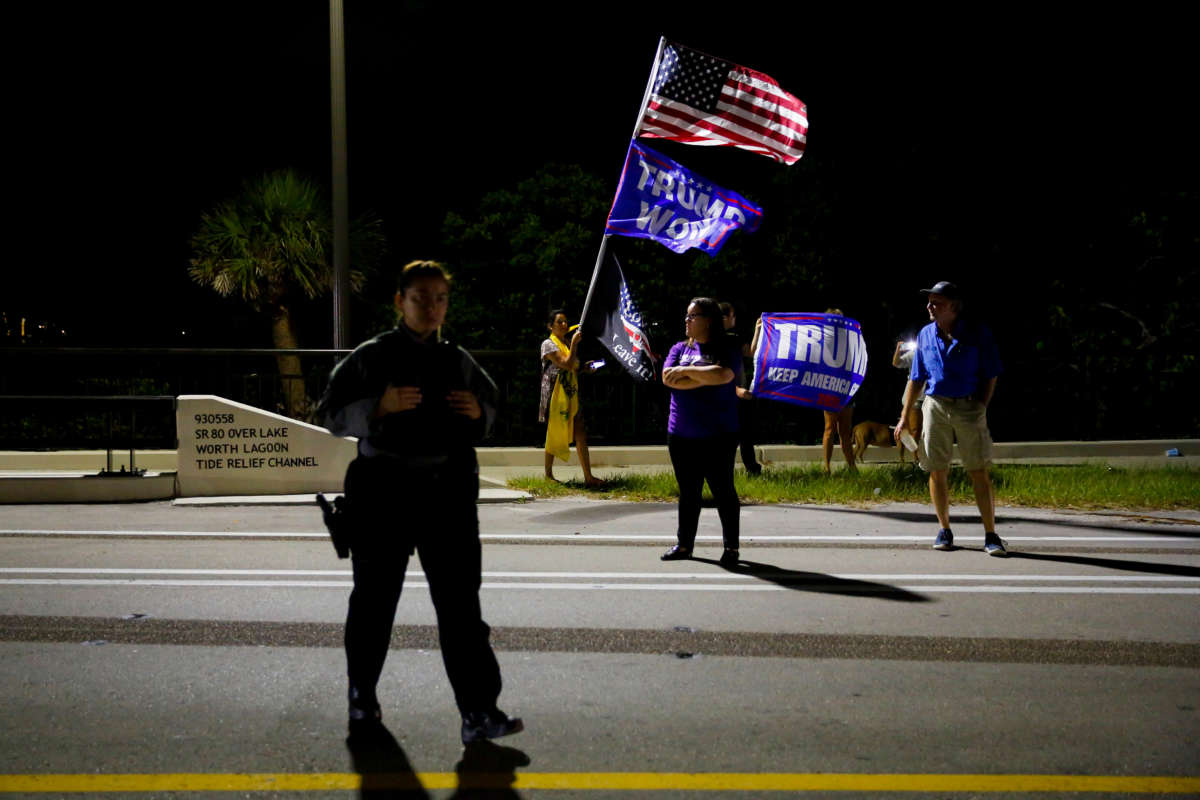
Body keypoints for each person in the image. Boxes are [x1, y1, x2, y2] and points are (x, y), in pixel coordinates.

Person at [317, 260, 524, 743]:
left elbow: (493, 409)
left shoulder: (458, 359)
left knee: (460, 609)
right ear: (399, 301)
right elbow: (327, 414)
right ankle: (361, 698)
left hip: (446, 497)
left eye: (440, 299)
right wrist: (377, 408)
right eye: (420, 298)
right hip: (382, 495)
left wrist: (480, 414)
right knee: (373, 603)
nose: (431, 307)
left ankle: (479, 711)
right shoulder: (371, 357)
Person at [895, 280, 1006, 556]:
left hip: (968, 406)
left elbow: (991, 372)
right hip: (934, 406)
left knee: (977, 470)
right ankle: (944, 529)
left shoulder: (977, 332)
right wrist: (904, 416)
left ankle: (991, 534)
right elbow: (916, 378)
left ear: (954, 307)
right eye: (929, 301)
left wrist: (981, 405)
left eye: (937, 302)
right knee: (936, 469)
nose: (929, 306)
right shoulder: (925, 334)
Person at [660, 297, 742, 567]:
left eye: (692, 316)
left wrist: (686, 372)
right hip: (681, 434)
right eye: (686, 316)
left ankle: (731, 548)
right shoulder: (678, 348)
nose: (686, 321)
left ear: (707, 320)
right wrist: (700, 376)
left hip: (718, 434)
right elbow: (668, 379)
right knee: (688, 492)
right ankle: (684, 544)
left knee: (723, 492)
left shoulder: (726, 347)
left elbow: (724, 376)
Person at [539, 309, 602, 487]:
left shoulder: (566, 342)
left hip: (570, 392)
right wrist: (574, 344)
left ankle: (588, 476)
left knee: (581, 432)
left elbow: (573, 366)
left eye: (565, 321)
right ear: (550, 326)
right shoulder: (548, 344)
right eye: (559, 322)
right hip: (555, 394)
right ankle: (548, 474)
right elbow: (565, 364)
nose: (564, 325)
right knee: (554, 431)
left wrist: (584, 368)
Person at [720, 302, 762, 475]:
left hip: (740, 395)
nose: (734, 318)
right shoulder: (713, 341)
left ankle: (752, 469)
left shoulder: (734, 337)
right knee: (727, 437)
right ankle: (723, 471)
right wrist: (736, 389)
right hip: (726, 395)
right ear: (725, 318)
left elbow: (750, 352)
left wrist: (758, 329)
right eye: (732, 315)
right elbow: (718, 372)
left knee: (745, 434)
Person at [821, 309, 857, 474]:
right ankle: (826, 467)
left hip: (846, 391)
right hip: (830, 389)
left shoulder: (849, 338)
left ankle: (851, 467)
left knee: (845, 431)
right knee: (830, 429)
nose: (840, 322)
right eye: (836, 319)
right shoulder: (824, 339)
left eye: (841, 319)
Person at [892, 336, 924, 464]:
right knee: (914, 429)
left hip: (932, 397)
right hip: (915, 397)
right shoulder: (915, 354)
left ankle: (922, 456)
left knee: (925, 429)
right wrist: (898, 349)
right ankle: (915, 457)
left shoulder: (936, 352)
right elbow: (896, 363)